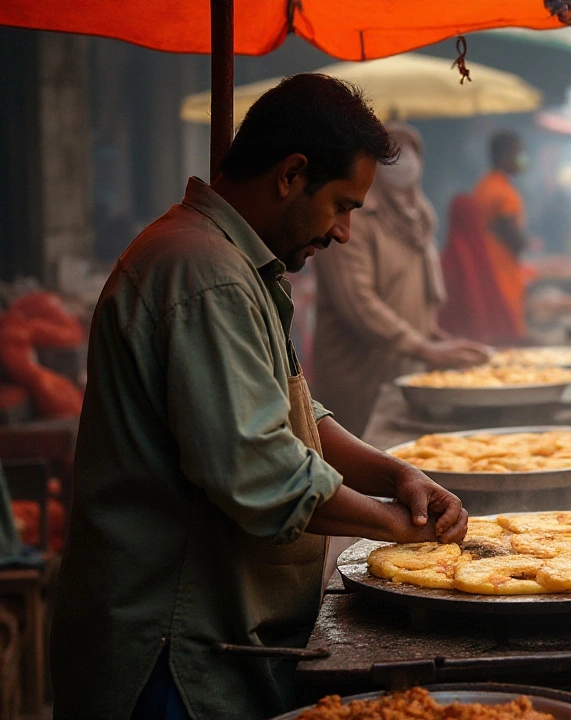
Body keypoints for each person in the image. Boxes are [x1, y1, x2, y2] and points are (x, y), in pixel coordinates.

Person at [49, 75, 469, 719]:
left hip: (216, 632)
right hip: (175, 648)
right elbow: (258, 466)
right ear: (290, 174)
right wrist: (391, 526)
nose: (344, 233)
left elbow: (296, 412)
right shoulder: (204, 274)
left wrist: (395, 472)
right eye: (342, 205)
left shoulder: (233, 264)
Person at [311, 122, 489, 436]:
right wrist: (423, 347)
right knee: (358, 463)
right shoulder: (352, 219)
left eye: (411, 149)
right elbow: (359, 304)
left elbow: (412, 297)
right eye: (391, 150)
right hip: (359, 375)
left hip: (406, 370)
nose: (403, 158)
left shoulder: (418, 218)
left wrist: (438, 340)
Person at [471, 131, 530, 340]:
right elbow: (512, 235)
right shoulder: (503, 192)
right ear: (505, 154)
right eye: (519, 153)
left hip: (485, 265)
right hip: (502, 269)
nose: (523, 158)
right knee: (508, 329)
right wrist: (526, 243)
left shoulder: (483, 185)